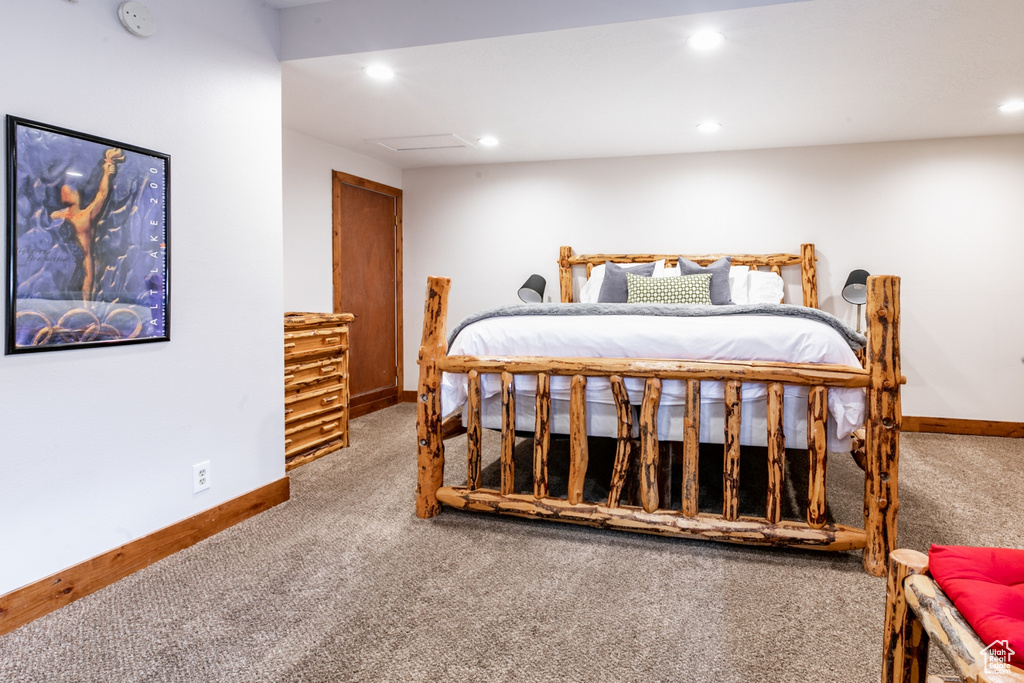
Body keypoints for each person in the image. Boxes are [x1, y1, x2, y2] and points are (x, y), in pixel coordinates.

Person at [50, 147, 125, 301]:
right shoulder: (59, 215)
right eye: (65, 191)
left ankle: (86, 311)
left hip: (84, 260)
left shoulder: (86, 215)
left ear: (76, 196)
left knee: (85, 291)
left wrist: (106, 173)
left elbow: (102, 194)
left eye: (70, 190)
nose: (67, 192)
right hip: (67, 263)